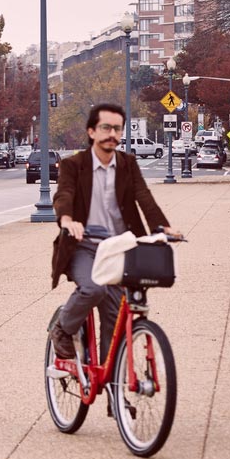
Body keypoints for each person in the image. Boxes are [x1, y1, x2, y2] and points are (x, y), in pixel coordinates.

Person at [50, 102, 173, 361]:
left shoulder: (128, 163)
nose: (112, 134)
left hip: (119, 248)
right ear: (92, 131)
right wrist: (67, 220)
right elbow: (64, 194)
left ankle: (113, 392)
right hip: (83, 245)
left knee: (115, 321)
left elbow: (144, 196)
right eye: (106, 127)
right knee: (94, 289)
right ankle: (62, 328)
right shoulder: (74, 165)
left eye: (117, 129)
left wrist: (162, 227)